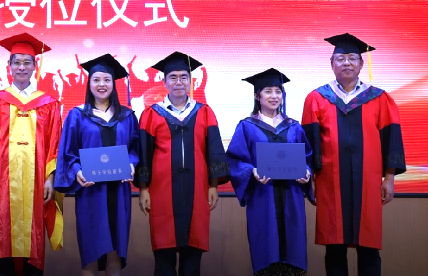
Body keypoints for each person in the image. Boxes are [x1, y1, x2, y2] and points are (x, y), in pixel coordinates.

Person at [301, 34, 406, 276]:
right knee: (334, 247)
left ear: (361, 64)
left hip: (368, 181)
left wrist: (389, 178)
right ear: (332, 64)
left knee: (368, 247)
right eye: (340, 58)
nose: (346, 62)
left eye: (352, 58)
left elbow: (391, 139)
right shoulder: (317, 98)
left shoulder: (379, 97)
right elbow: (309, 142)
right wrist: (311, 180)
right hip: (329, 181)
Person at [0, 32, 63, 276]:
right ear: (9, 66)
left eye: (27, 62)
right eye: (17, 62)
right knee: (3, 233)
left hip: (37, 182)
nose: (22, 67)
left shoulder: (49, 103)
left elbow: (55, 143)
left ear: (35, 66)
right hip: (2, 181)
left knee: (32, 235)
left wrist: (50, 179)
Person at [137, 52, 229, 276]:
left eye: (183, 77)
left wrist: (214, 186)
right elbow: (144, 153)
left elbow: (214, 151)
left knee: (192, 256)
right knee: (164, 255)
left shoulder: (205, 112)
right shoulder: (151, 114)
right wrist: (143, 189)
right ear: (164, 81)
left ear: (191, 81)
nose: (178, 82)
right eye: (173, 77)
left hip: (197, 190)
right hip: (162, 190)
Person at [55, 54, 140, 276]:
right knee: (91, 249)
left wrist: (132, 164)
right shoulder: (77, 115)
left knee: (115, 249)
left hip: (118, 191)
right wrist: (77, 171)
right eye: (96, 80)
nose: (101, 84)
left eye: (106, 80)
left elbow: (135, 149)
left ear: (113, 84)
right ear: (89, 83)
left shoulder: (127, 116)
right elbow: (68, 153)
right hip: (90, 191)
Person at [226, 68, 313, 276]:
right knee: (266, 248)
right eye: (268, 91)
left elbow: (307, 157)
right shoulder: (246, 127)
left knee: (293, 248)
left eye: (278, 91)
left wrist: (307, 172)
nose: (274, 96)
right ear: (257, 96)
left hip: (291, 195)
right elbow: (235, 160)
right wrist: (252, 171)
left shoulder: (294, 127)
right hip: (262, 196)